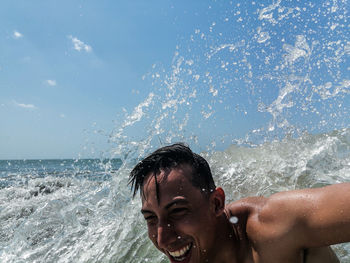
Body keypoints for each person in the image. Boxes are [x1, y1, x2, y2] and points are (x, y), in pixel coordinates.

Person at [129, 143, 349, 263]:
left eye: (177, 211)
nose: (162, 238)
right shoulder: (194, 254)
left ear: (216, 203)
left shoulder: (273, 227)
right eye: (151, 218)